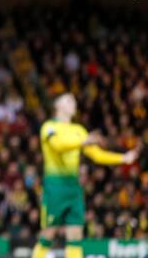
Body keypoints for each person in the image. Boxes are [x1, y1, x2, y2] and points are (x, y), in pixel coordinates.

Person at [31, 93, 140, 258]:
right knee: (48, 234)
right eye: (68, 100)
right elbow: (58, 145)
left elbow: (97, 155)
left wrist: (123, 158)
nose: (73, 103)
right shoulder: (49, 127)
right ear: (57, 105)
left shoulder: (78, 130)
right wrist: (83, 141)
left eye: (74, 100)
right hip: (55, 186)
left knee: (75, 236)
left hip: (74, 187)